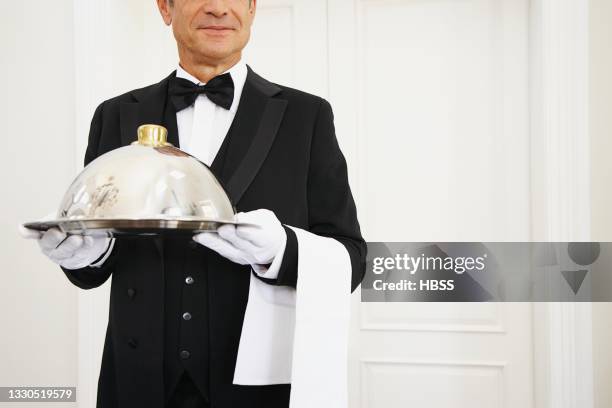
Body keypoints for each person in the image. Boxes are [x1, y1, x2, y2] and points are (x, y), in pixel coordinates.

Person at [21, 0, 366, 407]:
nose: (219, 8)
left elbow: (351, 257)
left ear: (253, 8)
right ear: (165, 8)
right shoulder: (115, 114)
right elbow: (91, 269)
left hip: (256, 385)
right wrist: (83, 255)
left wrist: (280, 249)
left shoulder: (307, 116)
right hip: (137, 381)